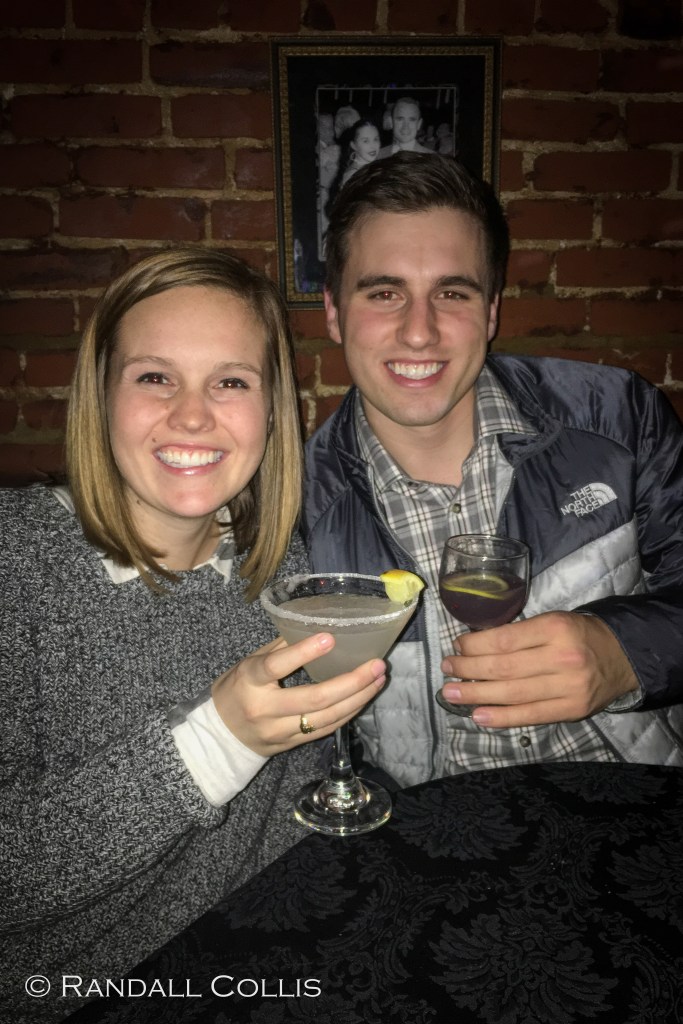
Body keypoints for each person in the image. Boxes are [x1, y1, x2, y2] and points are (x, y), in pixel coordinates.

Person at [0, 248, 387, 1022]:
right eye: (154, 377)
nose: (191, 415)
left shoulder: (285, 571)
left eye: (230, 382)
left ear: (271, 410)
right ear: (100, 397)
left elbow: (304, 804)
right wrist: (217, 741)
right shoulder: (16, 567)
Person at [302, 151, 683, 788]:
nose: (419, 332)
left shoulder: (620, 419)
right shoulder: (296, 507)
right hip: (431, 829)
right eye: (385, 293)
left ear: (492, 312)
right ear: (335, 313)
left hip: (636, 806)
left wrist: (623, 653)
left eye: (452, 293)